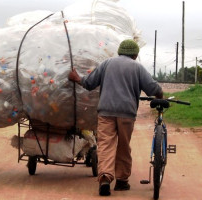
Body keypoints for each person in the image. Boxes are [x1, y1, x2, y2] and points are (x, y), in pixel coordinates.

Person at [68, 39, 163, 196]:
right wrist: (160, 96)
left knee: (105, 145)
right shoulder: (138, 67)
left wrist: (77, 78)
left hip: (106, 112)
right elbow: (153, 88)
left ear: (119, 52)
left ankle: (105, 179)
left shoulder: (107, 63)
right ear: (135, 54)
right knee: (123, 146)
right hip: (127, 114)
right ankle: (122, 181)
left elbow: (89, 83)